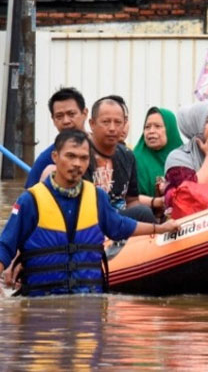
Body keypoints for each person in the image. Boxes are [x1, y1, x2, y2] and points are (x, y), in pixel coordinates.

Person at [0, 129, 179, 296]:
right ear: (55, 157)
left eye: (83, 158)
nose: (77, 163)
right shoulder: (30, 200)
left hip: (88, 301)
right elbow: (5, 246)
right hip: (41, 302)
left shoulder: (97, 197)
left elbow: (120, 226)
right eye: (70, 156)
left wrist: (161, 228)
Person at [89, 96, 155, 223]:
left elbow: (132, 200)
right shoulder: (81, 154)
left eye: (118, 122)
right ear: (92, 124)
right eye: (106, 122)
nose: (112, 128)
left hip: (120, 221)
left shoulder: (127, 155)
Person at [25, 87, 89, 188]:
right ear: (53, 120)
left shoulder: (104, 148)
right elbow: (29, 198)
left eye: (71, 114)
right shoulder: (45, 161)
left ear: (84, 113)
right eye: (59, 116)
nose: (66, 121)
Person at [134, 107, 183, 213]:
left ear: (170, 129)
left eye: (157, 126)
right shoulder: (135, 158)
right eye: (147, 127)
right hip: (146, 220)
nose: (151, 131)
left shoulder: (184, 157)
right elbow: (129, 199)